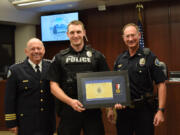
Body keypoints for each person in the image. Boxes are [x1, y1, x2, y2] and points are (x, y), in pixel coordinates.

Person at [47, 20, 109, 135]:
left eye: (78, 32)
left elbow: (107, 82)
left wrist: (110, 108)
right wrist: (70, 102)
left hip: (92, 111)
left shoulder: (97, 56)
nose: (75, 35)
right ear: (67, 34)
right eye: (72, 32)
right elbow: (53, 86)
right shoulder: (59, 58)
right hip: (68, 109)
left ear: (84, 33)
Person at [107, 23, 167, 135]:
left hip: (144, 111)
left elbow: (161, 84)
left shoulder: (149, 56)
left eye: (133, 35)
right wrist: (111, 108)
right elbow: (114, 85)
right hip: (123, 111)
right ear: (123, 38)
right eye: (127, 36)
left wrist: (160, 111)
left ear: (139, 35)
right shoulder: (120, 59)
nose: (130, 39)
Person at [4, 38, 56, 135]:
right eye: (32, 49)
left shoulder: (51, 67)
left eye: (39, 48)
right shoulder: (15, 70)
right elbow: (9, 99)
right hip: (25, 123)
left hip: (47, 122)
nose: (36, 51)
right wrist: (11, 122)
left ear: (43, 50)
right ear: (26, 52)